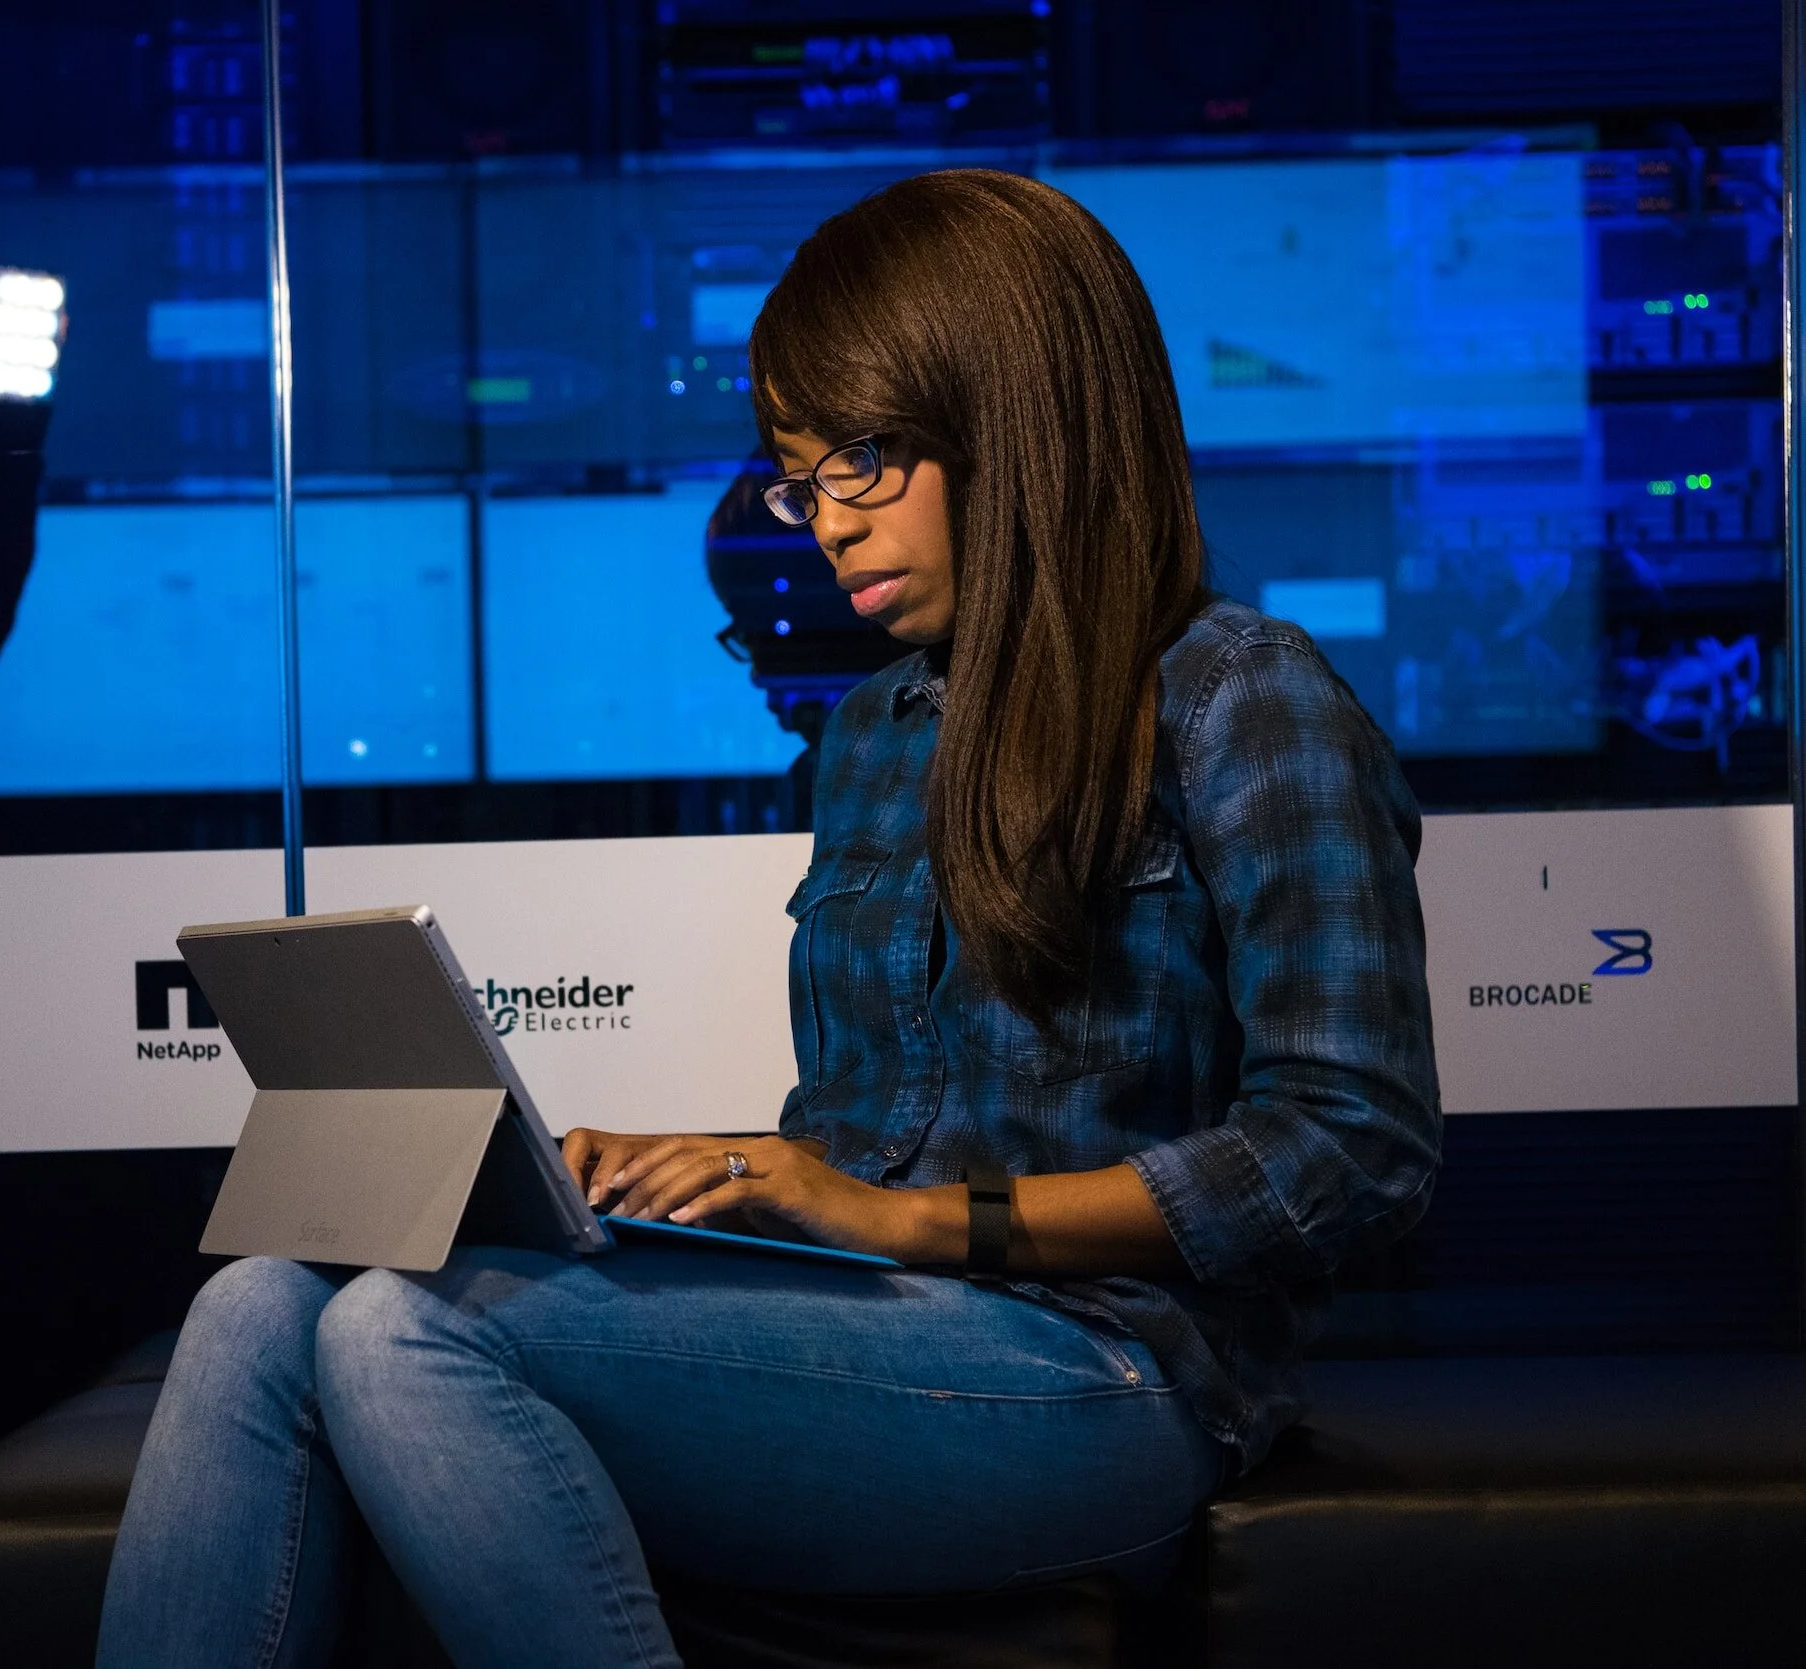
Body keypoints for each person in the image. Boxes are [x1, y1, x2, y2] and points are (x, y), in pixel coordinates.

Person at [93, 169, 1440, 1669]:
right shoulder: (875, 735)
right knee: (269, 1300)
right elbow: (876, 1136)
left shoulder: (1244, 696)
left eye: (863, 461)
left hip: (1115, 1374)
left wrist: (905, 1218)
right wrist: (711, 1177)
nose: (826, 527)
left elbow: (1351, 1151)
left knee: (407, 1332)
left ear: (1021, 419)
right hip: (872, 1318)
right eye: (805, 482)